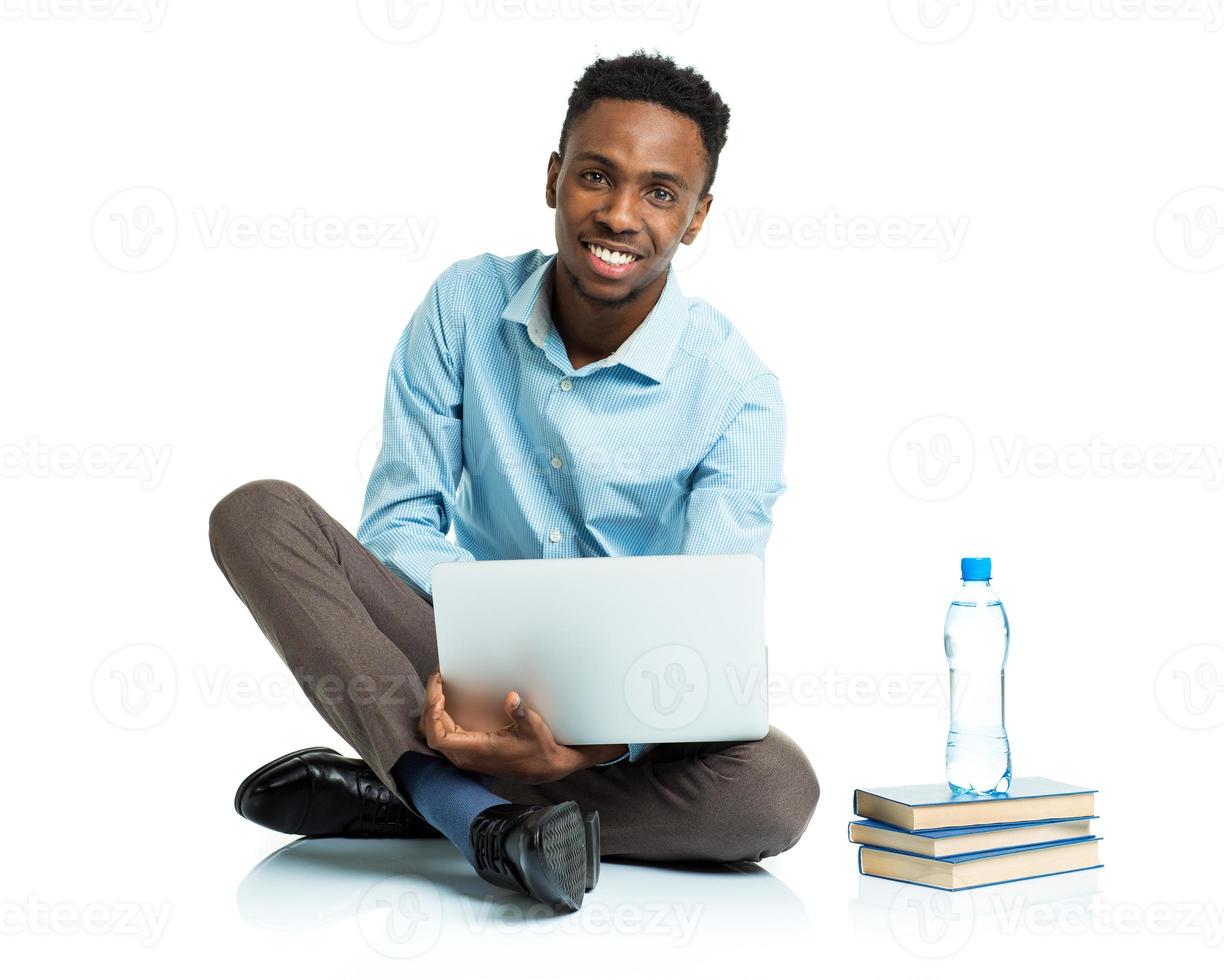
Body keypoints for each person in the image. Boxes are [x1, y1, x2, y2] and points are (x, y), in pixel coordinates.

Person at [208, 49, 818, 915]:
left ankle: (420, 796)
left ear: (696, 217)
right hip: (459, 659)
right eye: (595, 177)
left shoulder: (738, 394)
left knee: (774, 790)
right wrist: (490, 663)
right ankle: (476, 815)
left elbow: (706, 629)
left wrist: (592, 744)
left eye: (658, 192)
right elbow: (401, 522)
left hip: (629, 716)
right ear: (552, 178)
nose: (617, 214)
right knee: (257, 514)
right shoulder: (463, 306)